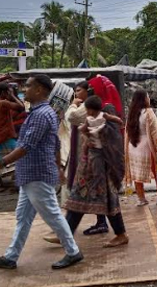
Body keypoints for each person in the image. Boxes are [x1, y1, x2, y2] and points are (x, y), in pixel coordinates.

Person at [0, 75, 83, 270]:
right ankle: (11, 256)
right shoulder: (41, 113)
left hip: (36, 174)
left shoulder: (41, 115)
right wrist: (59, 168)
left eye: (28, 86)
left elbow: (26, 146)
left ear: (39, 90)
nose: (23, 90)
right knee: (23, 217)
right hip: (31, 174)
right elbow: (54, 144)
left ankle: (73, 252)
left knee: (52, 214)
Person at [47, 96, 129, 248]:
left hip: (102, 170)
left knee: (108, 201)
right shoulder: (96, 118)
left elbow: (113, 139)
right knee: (78, 199)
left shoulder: (105, 117)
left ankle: (121, 234)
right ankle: (65, 234)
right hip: (88, 168)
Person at [65, 81, 109, 235]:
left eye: (78, 90)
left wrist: (73, 105)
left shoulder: (86, 109)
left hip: (89, 161)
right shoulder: (99, 114)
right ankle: (102, 223)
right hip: (90, 160)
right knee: (99, 193)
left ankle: (66, 230)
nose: (76, 94)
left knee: (81, 193)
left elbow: (72, 117)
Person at [125, 89, 157, 206]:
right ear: (144, 99)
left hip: (133, 147)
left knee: (137, 174)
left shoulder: (132, 113)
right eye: (147, 97)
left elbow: (127, 133)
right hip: (147, 147)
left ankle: (141, 198)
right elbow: (155, 134)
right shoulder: (149, 113)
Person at [0, 83, 25, 162]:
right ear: (3, 93)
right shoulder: (3, 103)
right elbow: (21, 107)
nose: (9, 94)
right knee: (23, 158)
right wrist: (13, 96)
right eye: (8, 92)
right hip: (7, 138)